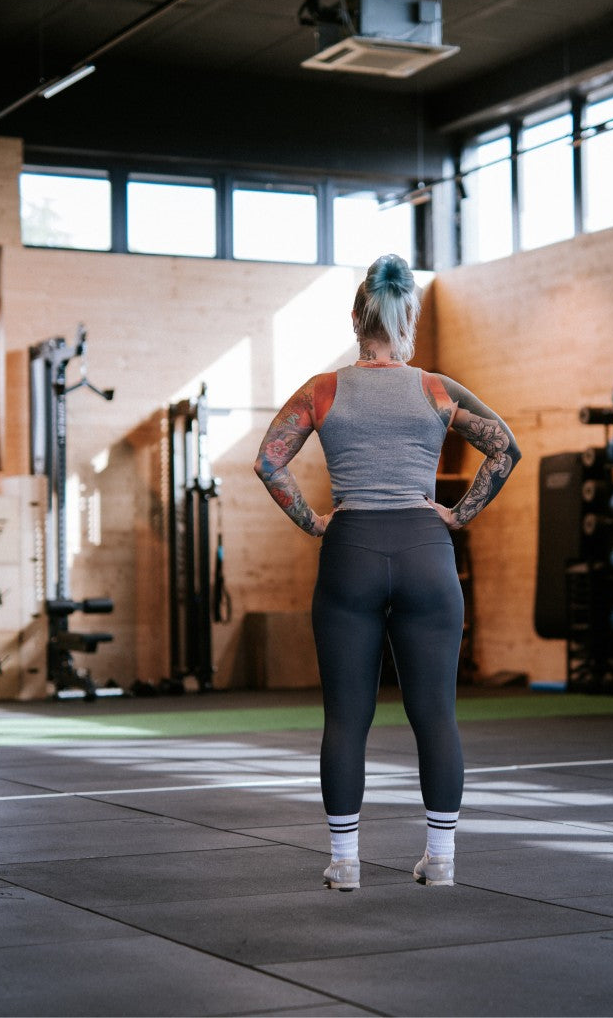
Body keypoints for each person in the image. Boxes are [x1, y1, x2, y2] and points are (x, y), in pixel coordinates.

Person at [253, 253, 520, 891]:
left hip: (351, 552)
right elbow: (504, 448)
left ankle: (345, 863)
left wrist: (314, 522)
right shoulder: (435, 388)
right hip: (427, 552)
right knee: (436, 715)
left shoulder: (323, 390)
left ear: (356, 317)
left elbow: (268, 461)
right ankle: (441, 858)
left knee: (347, 718)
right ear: (410, 319)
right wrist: (457, 515)